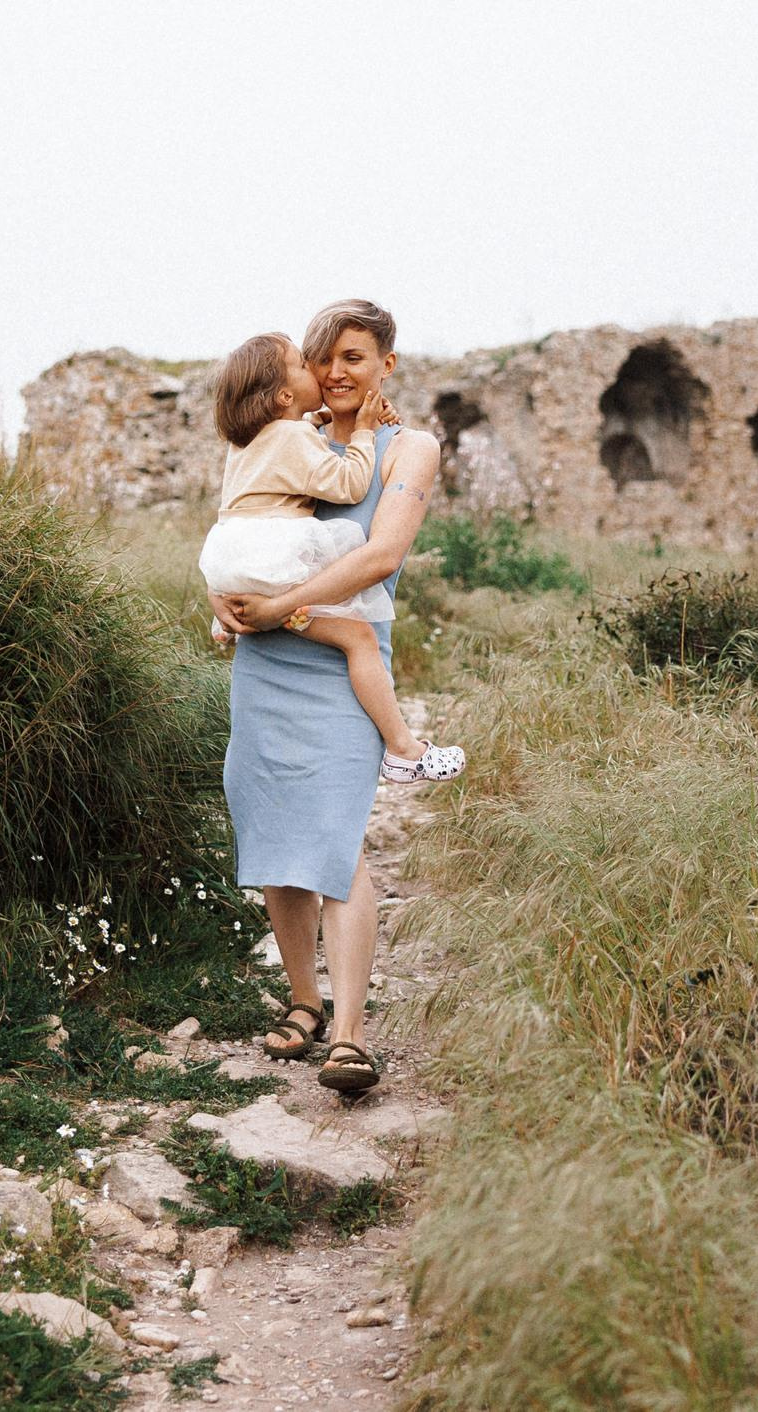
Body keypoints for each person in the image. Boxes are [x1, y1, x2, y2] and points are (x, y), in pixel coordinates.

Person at [211, 299, 443, 1097]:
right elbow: (241, 526)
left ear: (386, 365)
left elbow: (381, 554)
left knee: (339, 844)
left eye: (354, 357)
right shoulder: (291, 440)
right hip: (266, 662)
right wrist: (223, 602)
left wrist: (281, 606)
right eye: (325, 359)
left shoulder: (409, 447)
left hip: (340, 665)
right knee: (277, 831)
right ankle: (304, 1002)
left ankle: (349, 1035)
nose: (337, 372)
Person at [197, 330, 464, 781]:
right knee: (358, 639)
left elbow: (290, 441)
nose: (322, 372)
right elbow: (349, 484)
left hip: (233, 557)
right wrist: (362, 432)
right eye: (306, 364)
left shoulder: (247, 439)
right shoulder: (295, 439)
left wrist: (323, 418)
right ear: (285, 393)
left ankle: (230, 617)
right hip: (274, 565)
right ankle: (403, 748)